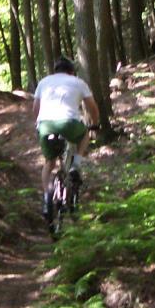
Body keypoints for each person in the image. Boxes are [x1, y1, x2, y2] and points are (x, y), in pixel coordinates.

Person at [33, 57, 99, 215]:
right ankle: (75, 165)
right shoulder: (78, 82)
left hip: (46, 125)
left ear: (55, 70)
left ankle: (47, 196)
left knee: (49, 162)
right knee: (85, 134)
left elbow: (35, 108)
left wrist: (39, 124)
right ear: (71, 71)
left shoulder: (43, 82)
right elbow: (92, 108)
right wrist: (95, 124)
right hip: (69, 123)